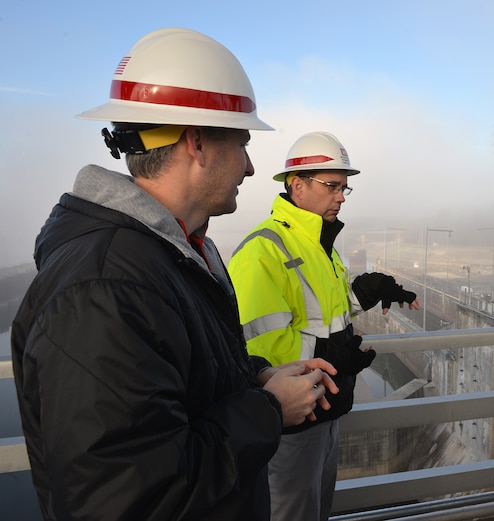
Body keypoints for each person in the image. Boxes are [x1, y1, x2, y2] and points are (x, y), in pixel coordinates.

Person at [11, 28, 337, 521]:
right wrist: (268, 411)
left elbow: (181, 383)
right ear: (197, 142)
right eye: (243, 144)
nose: (250, 168)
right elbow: (129, 500)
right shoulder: (103, 291)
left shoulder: (171, 254)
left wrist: (256, 377)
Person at [228, 130, 420, 521]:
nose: (341, 197)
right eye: (332, 186)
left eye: (345, 188)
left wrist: (369, 288)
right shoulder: (262, 251)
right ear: (297, 186)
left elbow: (330, 307)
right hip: (292, 424)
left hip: (328, 409)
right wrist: (332, 356)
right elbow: (258, 349)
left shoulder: (318, 245)